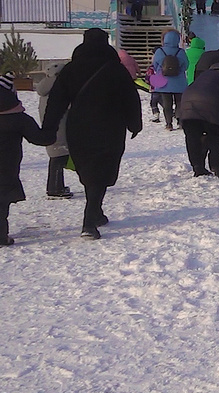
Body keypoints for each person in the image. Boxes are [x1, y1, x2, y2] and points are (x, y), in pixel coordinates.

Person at [42, 29, 142, 239]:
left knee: (89, 170)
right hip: (111, 127)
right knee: (102, 169)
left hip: (79, 126)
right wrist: (135, 124)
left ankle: (95, 212)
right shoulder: (116, 69)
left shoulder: (71, 69)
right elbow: (130, 98)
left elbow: (56, 100)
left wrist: (49, 128)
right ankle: (90, 219)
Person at [0, 73, 58, 246]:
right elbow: (41, 139)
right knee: (1, 202)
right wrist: (51, 125)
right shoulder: (18, 118)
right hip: (6, 167)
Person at [178, 49, 219, 178]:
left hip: (187, 102)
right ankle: (217, 167)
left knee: (192, 137)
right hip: (210, 102)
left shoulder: (206, 74)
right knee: (215, 135)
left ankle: (198, 167)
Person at [36, 62, 73, 199]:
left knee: (56, 155)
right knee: (59, 156)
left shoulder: (45, 87)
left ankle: (56, 187)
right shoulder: (58, 88)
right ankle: (55, 189)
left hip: (50, 127)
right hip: (60, 127)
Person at [151, 29, 190, 131]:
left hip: (163, 82)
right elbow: (186, 66)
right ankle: (180, 121)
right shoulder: (180, 52)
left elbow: (155, 65)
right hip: (179, 82)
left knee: (167, 104)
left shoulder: (160, 51)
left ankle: (168, 124)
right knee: (179, 103)